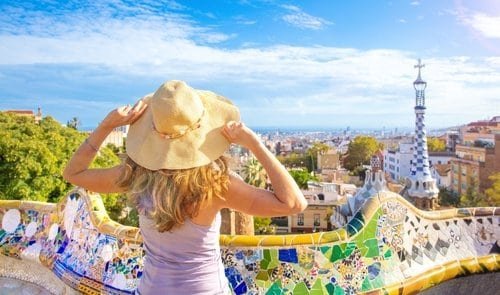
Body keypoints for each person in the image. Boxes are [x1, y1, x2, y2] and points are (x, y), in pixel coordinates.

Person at [63, 80, 307, 294]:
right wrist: (254, 143)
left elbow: (74, 173)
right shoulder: (216, 185)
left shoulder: (135, 176)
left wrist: (107, 125)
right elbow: (294, 203)